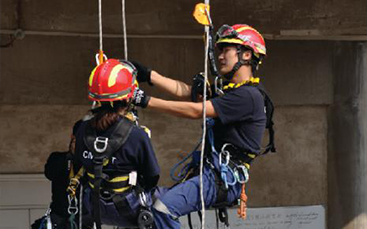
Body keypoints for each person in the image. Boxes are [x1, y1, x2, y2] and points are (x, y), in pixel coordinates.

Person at [132, 24, 270, 228]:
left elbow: (196, 110)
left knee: (162, 209)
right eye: (219, 51)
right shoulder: (231, 91)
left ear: (247, 54)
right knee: (146, 201)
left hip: (221, 179)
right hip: (210, 173)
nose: (220, 56)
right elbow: (187, 92)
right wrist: (149, 75)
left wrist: (144, 100)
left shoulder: (247, 96)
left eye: (226, 50)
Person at [73, 59, 160, 229]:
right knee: (167, 204)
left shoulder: (82, 129)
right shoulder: (137, 135)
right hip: (129, 210)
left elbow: (79, 163)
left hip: (93, 207)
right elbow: (152, 176)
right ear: (128, 97)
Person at [30, 120, 83, 229]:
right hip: (58, 219)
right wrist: (72, 155)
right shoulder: (58, 158)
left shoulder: (92, 164)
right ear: (73, 137)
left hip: (84, 220)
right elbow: (50, 173)